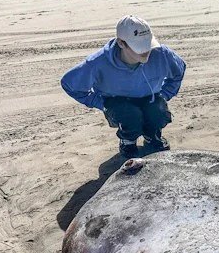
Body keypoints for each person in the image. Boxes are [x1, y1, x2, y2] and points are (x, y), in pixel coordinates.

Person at [61, 15, 187, 158]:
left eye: (148, 44)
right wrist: (102, 103)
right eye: (139, 47)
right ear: (121, 43)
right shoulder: (98, 62)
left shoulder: (162, 54)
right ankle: (128, 141)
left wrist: (165, 95)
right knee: (130, 115)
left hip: (150, 98)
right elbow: (70, 84)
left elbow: (179, 70)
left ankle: (152, 136)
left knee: (157, 111)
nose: (146, 51)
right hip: (118, 103)